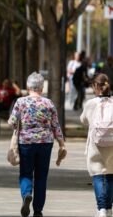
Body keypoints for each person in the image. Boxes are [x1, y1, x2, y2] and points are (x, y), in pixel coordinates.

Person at [8, 72, 66, 217]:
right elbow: (55, 125)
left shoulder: (20, 102)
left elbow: (13, 123)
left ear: (28, 87)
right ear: (41, 87)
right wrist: (61, 143)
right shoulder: (48, 103)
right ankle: (38, 210)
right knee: (41, 176)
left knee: (26, 173)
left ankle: (27, 193)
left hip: (26, 142)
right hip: (45, 142)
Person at [80, 73, 113, 217]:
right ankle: (109, 208)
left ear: (95, 86)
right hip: (112, 144)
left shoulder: (91, 104)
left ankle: (102, 209)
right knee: (111, 174)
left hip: (96, 145)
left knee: (98, 175)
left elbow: (83, 120)